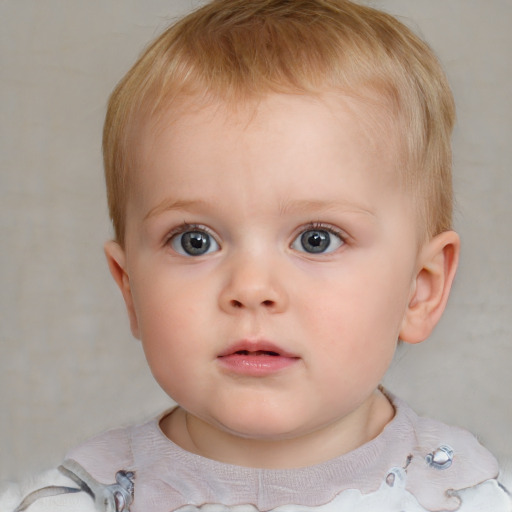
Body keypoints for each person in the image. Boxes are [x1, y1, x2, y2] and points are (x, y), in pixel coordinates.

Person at [2, 0, 510, 511]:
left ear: (420, 289)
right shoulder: (79, 500)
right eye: (194, 240)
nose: (251, 288)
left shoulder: (470, 497)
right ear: (130, 286)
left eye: (317, 239)